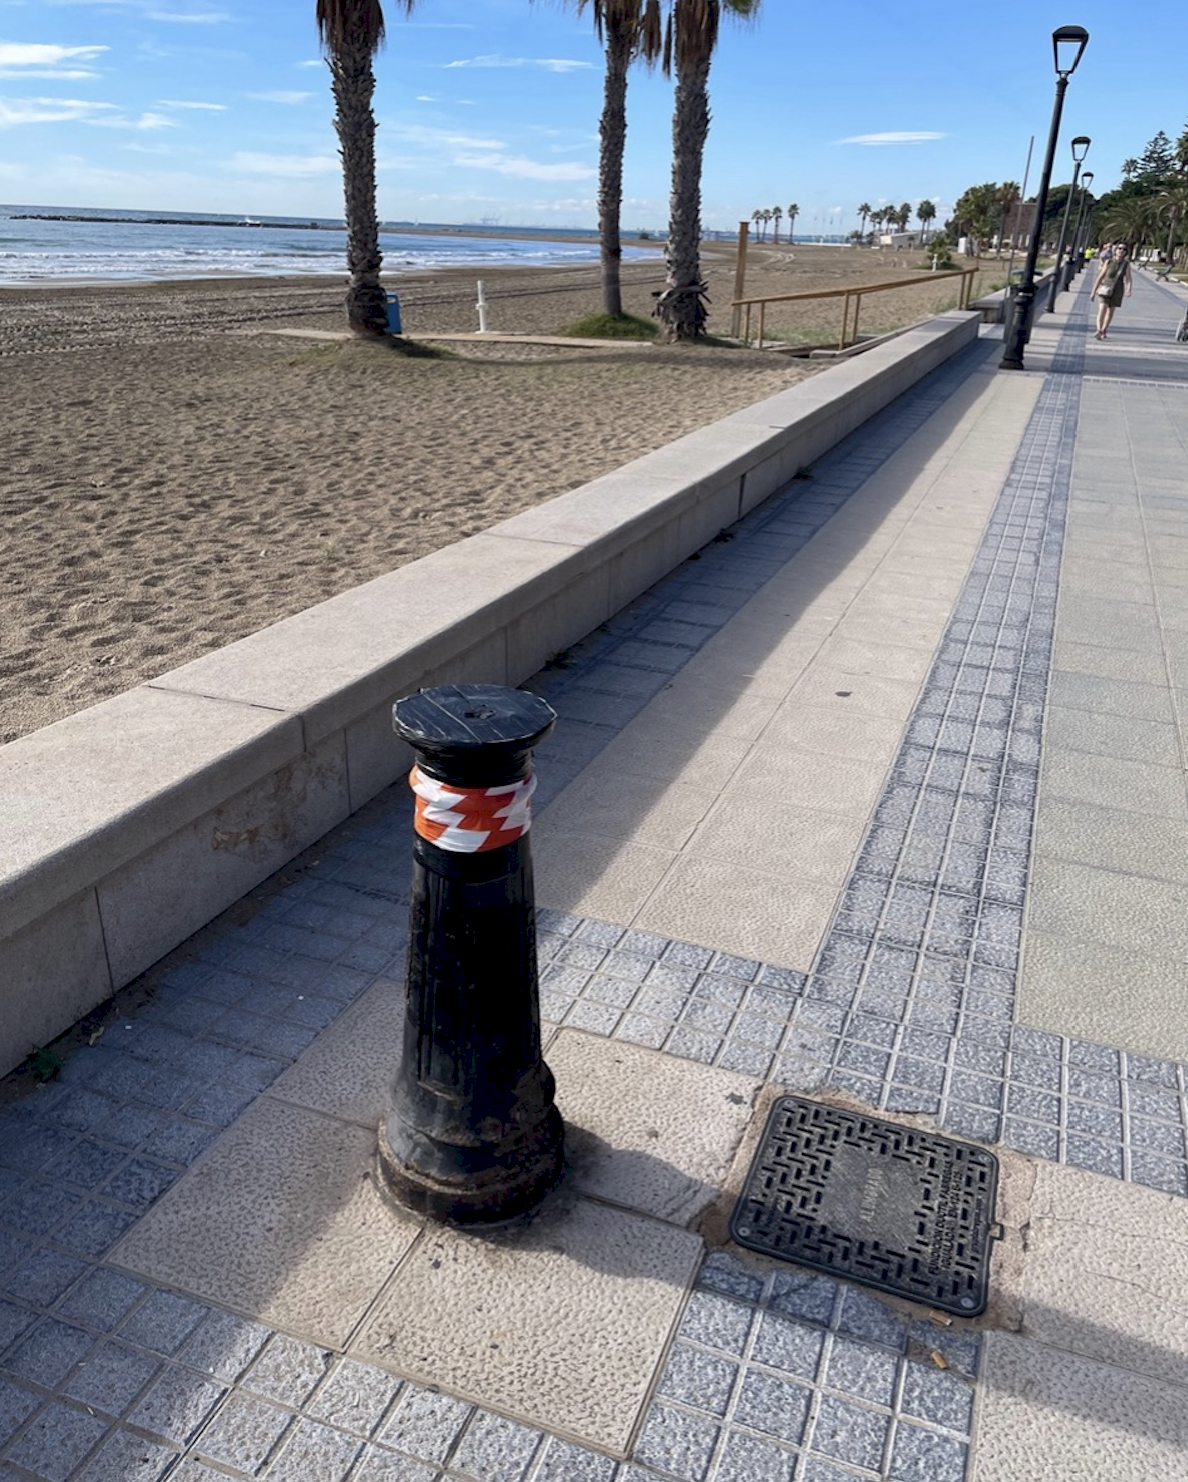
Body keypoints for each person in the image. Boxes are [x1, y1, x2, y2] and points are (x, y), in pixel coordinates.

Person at [1092, 242, 1132, 339]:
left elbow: (1128, 279)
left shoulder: (1126, 264)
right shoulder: (1108, 262)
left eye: (1124, 249)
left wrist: (1129, 289)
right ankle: (1099, 330)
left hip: (1117, 290)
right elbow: (1100, 277)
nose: (1121, 251)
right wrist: (1093, 291)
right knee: (1102, 308)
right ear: (1116, 250)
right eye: (1120, 248)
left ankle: (1104, 329)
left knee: (1110, 311)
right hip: (1105, 288)